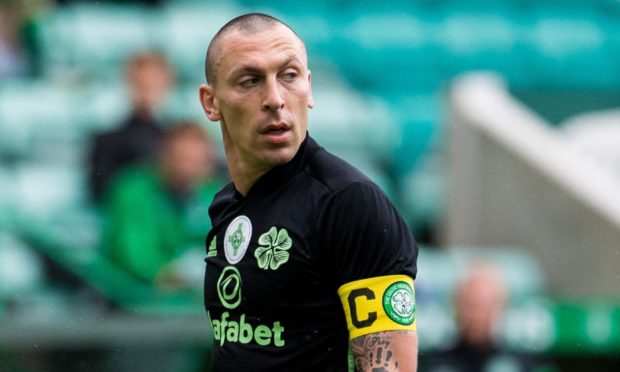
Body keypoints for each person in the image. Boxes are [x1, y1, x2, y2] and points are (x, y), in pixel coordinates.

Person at [198, 13, 419, 371]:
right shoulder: (226, 205)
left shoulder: (349, 203)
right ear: (211, 102)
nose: (275, 99)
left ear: (310, 87)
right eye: (250, 80)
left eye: (289, 76)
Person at [102, 121, 222, 287]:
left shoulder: (214, 195)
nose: (185, 169)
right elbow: (133, 251)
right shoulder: (133, 190)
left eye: (194, 162)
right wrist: (170, 274)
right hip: (133, 293)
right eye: (180, 159)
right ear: (164, 155)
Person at [88, 51, 174, 202]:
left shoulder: (180, 140)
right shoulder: (107, 142)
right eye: (141, 85)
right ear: (128, 84)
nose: (147, 93)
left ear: (168, 86)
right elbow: (100, 193)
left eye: (153, 85)